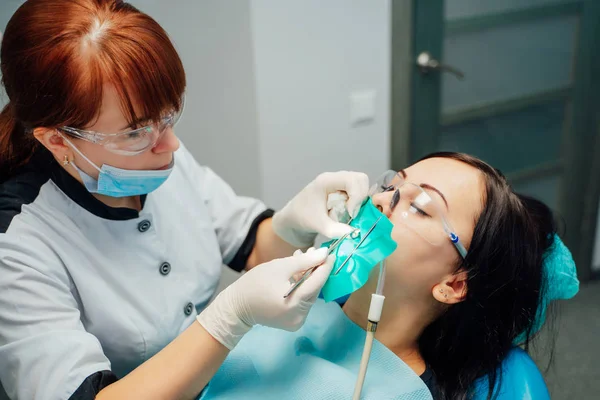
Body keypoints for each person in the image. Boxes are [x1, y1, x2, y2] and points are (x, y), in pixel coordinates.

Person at [0, 1, 370, 399]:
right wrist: (229, 318)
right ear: (57, 140)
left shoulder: (151, 152)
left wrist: (294, 222)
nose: (171, 143)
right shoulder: (17, 243)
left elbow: (253, 248)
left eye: (169, 115)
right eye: (136, 131)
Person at [197, 152, 577, 400]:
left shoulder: (401, 392)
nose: (382, 199)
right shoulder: (287, 306)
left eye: (422, 207)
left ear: (454, 284)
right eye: (394, 184)